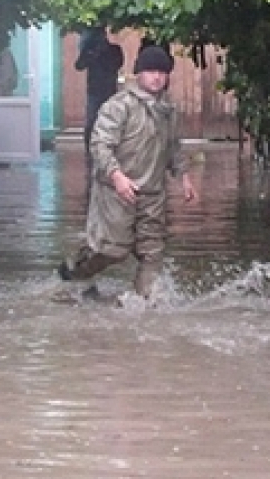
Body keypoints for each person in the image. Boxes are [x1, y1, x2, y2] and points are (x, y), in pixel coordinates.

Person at [57, 44, 197, 300]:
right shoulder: (119, 106)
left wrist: (184, 177)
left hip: (153, 195)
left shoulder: (168, 110)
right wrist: (117, 176)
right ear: (138, 74)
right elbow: (99, 145)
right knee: (112, 250)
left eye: (163, 72)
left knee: (152, 252)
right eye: (151, 71)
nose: (157, 77)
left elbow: (173, 145)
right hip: (115, 192)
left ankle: (143, 305)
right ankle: (72, 273)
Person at [75, 26, 124, 158]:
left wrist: (101, 53)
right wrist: (90, 53)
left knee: (113, 121)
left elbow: (118, 64)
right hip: (94, 91)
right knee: (91, 122)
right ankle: (89, 152)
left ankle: (112, 149)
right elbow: (79, 65)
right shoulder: (90, 50)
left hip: (109, 91)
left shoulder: (114, 50)